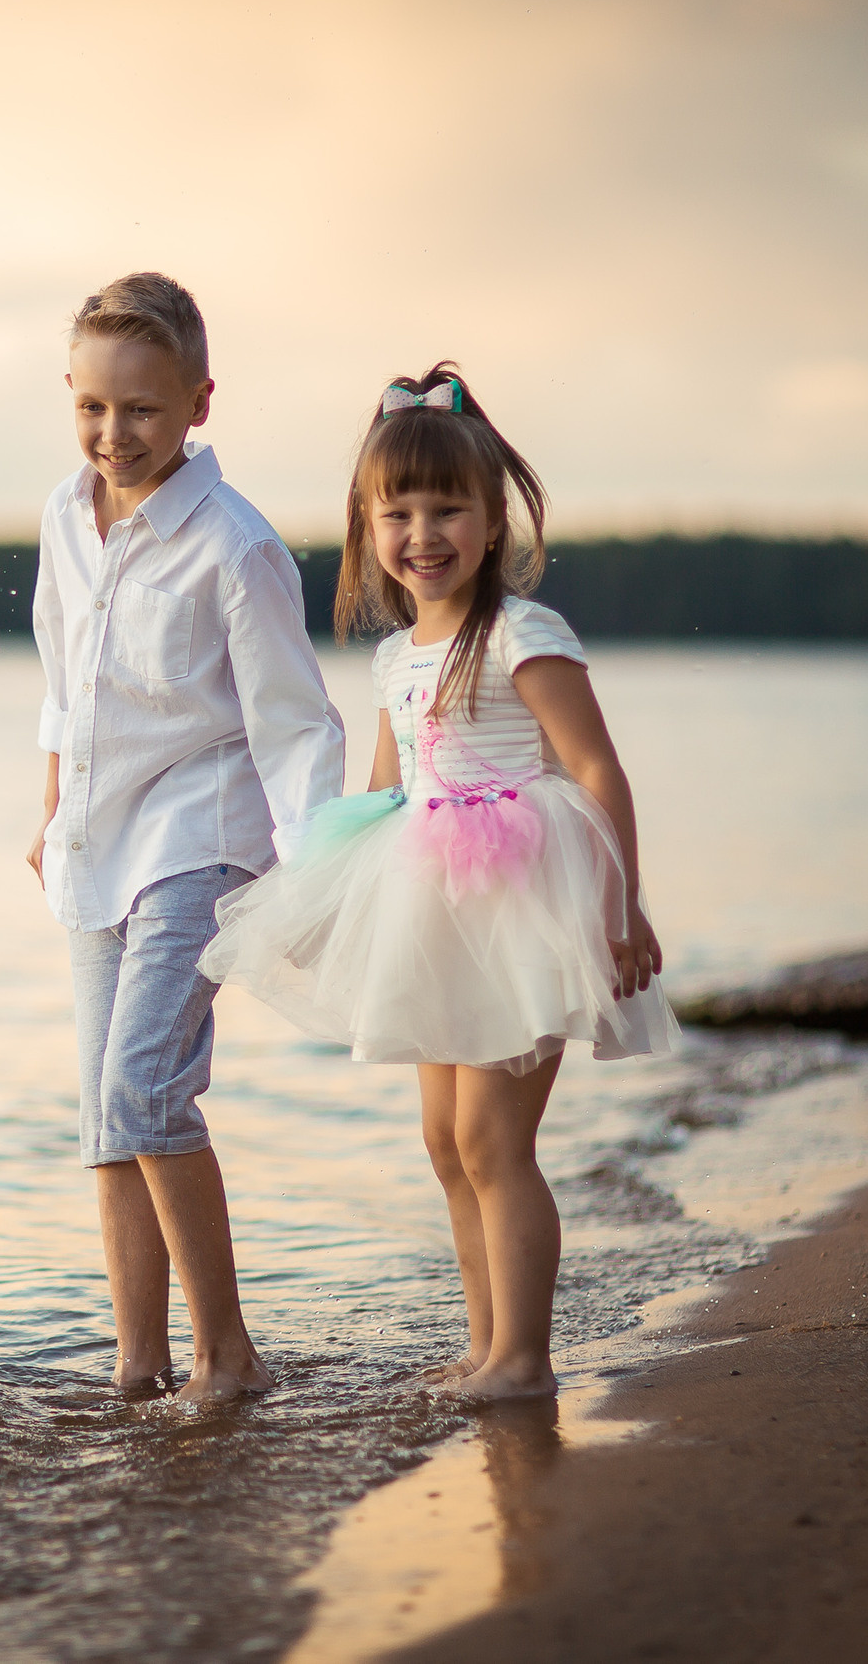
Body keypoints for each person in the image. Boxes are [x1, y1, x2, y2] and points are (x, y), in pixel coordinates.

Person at [199, 364, 678, 1400]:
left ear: (494, 523)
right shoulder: (394, 659)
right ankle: (483, 1342)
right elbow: (385, 795)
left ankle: (525, 1358)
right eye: (398, 512)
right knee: (444, 1142)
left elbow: (594, 769)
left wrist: (620, 907)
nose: (423, 533)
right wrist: (326, 901)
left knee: (493, 1139)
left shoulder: (519, 634)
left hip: (520, 906)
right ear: (367, 527)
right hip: (429, 911)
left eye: (448, 509)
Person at [28, 272, 346, 1404]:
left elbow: (295, 725)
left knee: (145, 1089)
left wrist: (316, 880)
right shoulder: (64, 518)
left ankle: (229, 1356)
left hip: (198, 841)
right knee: (107, 1120)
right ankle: (137, 1367)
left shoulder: (236, 546)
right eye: (92, 407)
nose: (114, 433)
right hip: (94, 845)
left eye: (142, 409)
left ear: (199, 403)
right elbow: (63, 681)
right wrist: (50, 809)